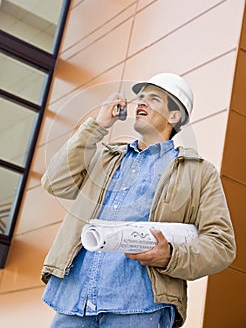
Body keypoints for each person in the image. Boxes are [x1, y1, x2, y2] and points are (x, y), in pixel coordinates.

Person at [41, 73, 236, 328]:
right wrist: (98, 125)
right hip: (75, 301)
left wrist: (170, 256)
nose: (141, 102)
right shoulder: (106, 159)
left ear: (174, 116)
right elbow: (55, 182)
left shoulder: (198, 172)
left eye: (153, 98)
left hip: (139, 307)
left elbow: (221, 245)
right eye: (140, 97)